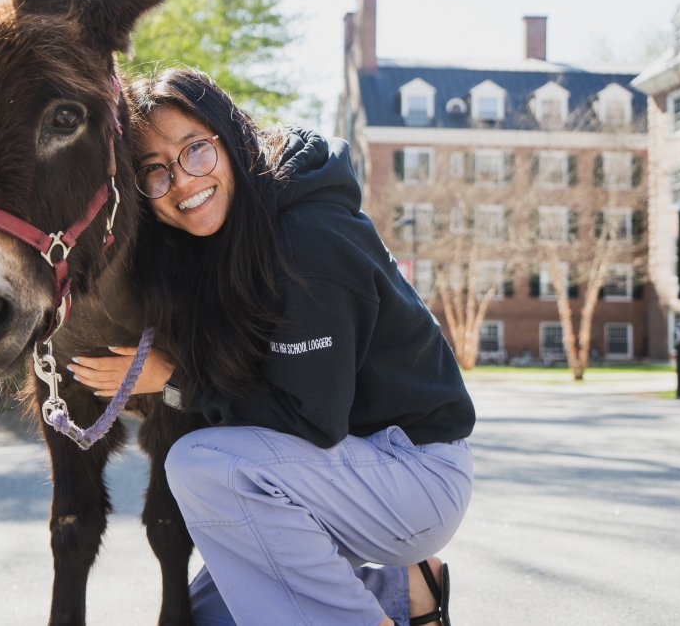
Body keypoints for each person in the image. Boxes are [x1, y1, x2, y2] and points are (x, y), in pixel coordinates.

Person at [68, 69, 474, 626]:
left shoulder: (308, 239)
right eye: (155, 171)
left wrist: (176, 380)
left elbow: (311, 419)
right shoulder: (226, 236)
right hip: (337, 474)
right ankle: (406, 591)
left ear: (230, 138)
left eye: (195, 150)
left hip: (411, 476)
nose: (182, 181)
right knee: (213, 618)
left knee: (199, 464)